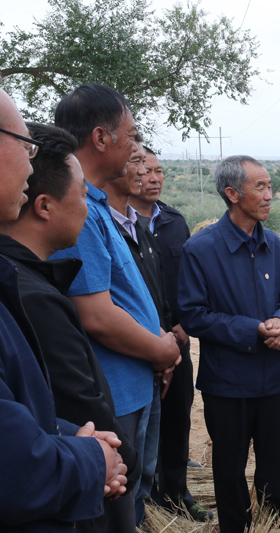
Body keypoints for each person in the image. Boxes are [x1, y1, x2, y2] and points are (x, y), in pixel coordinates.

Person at [50, 83, 181, 528]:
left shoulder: (101, 205)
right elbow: (97, 316)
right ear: (101, 138)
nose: (136, 147)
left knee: (137, 496)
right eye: (131, 133)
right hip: (115, 393)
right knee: (119, 508)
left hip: (137, 380)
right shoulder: (78, 209)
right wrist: (160, 350)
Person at [0, 121, 141, 532]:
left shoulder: (28, 282)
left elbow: (36, 417)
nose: (87, 207)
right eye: (83, 195)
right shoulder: (31, 295)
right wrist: (107, 458)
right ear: (45, 206)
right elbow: (74, 404)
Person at [178, 155, 280, 532]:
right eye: (259, 187)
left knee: (274, 458)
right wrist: (254, 330)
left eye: (269, 187)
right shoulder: (200, 249)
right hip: (227, 382)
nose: (269, 195)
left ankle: (277, 520)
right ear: (232, 193)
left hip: (274, 377)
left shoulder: (275, 245)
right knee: (229, 464)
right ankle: (236, 525)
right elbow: (194, 315)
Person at [128, 146, 210, 521]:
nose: (154, 178)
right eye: (145, 171)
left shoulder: (175, 222)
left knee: (178, 415)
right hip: (134, 340)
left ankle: (175, 492)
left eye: (159, 171)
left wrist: (184, 323)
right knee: (138, 424)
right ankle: (136, 502)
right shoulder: (115, 226)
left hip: (177, 340)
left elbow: (190, 280)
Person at [105, 137, 176, 525]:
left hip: (149, 367)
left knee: (141, 472)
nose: (144, 172)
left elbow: (150, 299)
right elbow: (99, 315)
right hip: (124, 376)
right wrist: (159, 349)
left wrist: (163, 341)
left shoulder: (138, 229)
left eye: (151, 167)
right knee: (125, 475)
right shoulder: (93, 222)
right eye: (136, 162)